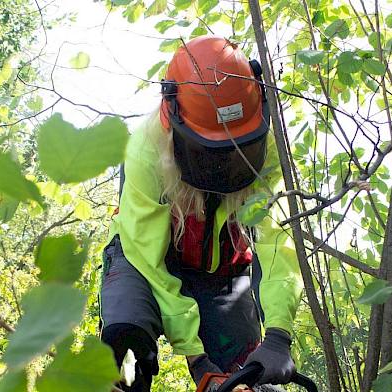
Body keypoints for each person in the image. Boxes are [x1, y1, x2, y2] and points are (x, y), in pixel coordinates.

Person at [99, 35, 304, 391]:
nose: (225, 161)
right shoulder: (146, 151)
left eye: (236, 148)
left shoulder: (270, 152)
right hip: (145, 260)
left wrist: (278, 336)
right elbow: (148, 257)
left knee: (248, 375)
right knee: (124, 337)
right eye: (214, 149)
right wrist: (196, 359)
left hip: (222, 270)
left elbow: (278, 246)